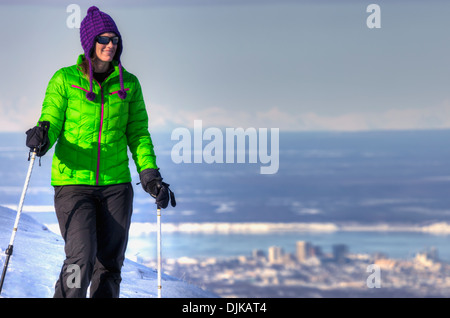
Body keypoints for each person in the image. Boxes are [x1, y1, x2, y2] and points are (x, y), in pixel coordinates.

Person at [25, 6, 175, 298]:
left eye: (115, 39)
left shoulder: (129, 84)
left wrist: (150, 176)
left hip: (116, 186)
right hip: (73, 184)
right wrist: (42, 136)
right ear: (89, 43)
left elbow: (138, 134)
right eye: (103, 39)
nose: (110, 45)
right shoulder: (65, 80)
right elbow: (52, 119)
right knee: (79, 259)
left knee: (109, 266)